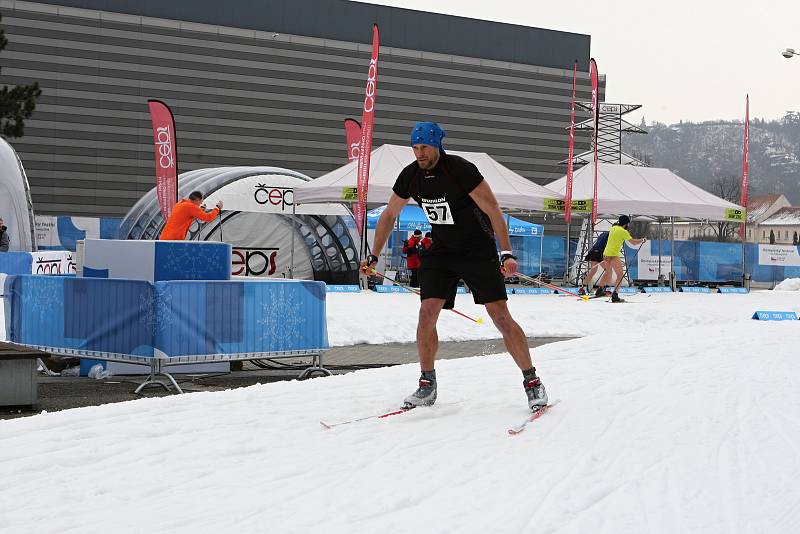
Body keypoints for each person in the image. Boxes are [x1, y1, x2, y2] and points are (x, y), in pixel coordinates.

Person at [360, 121, 547, 412]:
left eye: (424, 147)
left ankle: (532, 382)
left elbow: (493, 209)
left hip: (477, 250)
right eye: (415, 148)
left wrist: (506, 252)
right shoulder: (410, 176)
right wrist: (374, 255)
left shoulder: (461, 170)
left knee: (500, 317)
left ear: (437, 145)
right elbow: (388, 215)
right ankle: (427, 384)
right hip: (443, 250)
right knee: (426, 314)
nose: (419, 153)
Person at [596, 215, 645, 302]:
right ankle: (615, 295)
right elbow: (633, 243)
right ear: (626, 224)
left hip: (606, 253)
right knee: (620, 275)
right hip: (614, 255)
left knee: (607, 273)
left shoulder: (613, 228)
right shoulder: (623, 232)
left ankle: (599, 290)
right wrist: (642, 240)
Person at [582, 229, 610, 294]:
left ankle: (582, 289)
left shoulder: (603, 233)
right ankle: (602, 289)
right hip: (599, 252)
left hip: (593, 251)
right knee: (608, 270)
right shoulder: (611, 235)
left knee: (593, 271)